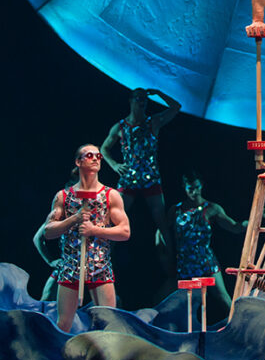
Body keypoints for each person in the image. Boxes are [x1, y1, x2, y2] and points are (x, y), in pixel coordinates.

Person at [44, 144, 131, 332]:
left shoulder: (111, 195)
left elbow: (125, 232)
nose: (95, 158)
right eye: (89, 155)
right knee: (64, 324)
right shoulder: (63, 196)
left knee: (109, 324)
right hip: (71, 267)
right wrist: (74, 219)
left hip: (99, 267)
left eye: (98, 155)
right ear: (78, 161)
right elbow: (48, 232)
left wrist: (95, 230)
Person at [101, 87, 181, 257]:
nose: (142, 102)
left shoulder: (153, 122)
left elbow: (176, 107)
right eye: (138, 98)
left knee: (161, 221)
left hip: (151, 179)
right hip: (129, 178)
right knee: (114, 219)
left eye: (145, 99)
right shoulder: (121, 127)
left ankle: (175, 262)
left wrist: (159, 93)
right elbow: (104, 148)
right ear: (131, 100)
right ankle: (104, 259)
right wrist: (115, 165)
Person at [167, 170, 259, 316]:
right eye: (190, 188)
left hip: (206, 262)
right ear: (184, 188)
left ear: (201, 186)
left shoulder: (211, 209)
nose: (194, 192)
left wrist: (256, 218)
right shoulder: (176, 210)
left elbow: (235, 227)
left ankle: (238, 323)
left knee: (222, 297)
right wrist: (165, 254)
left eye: (197, 187)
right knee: (180, 302)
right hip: (184, 263)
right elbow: (163, 231)